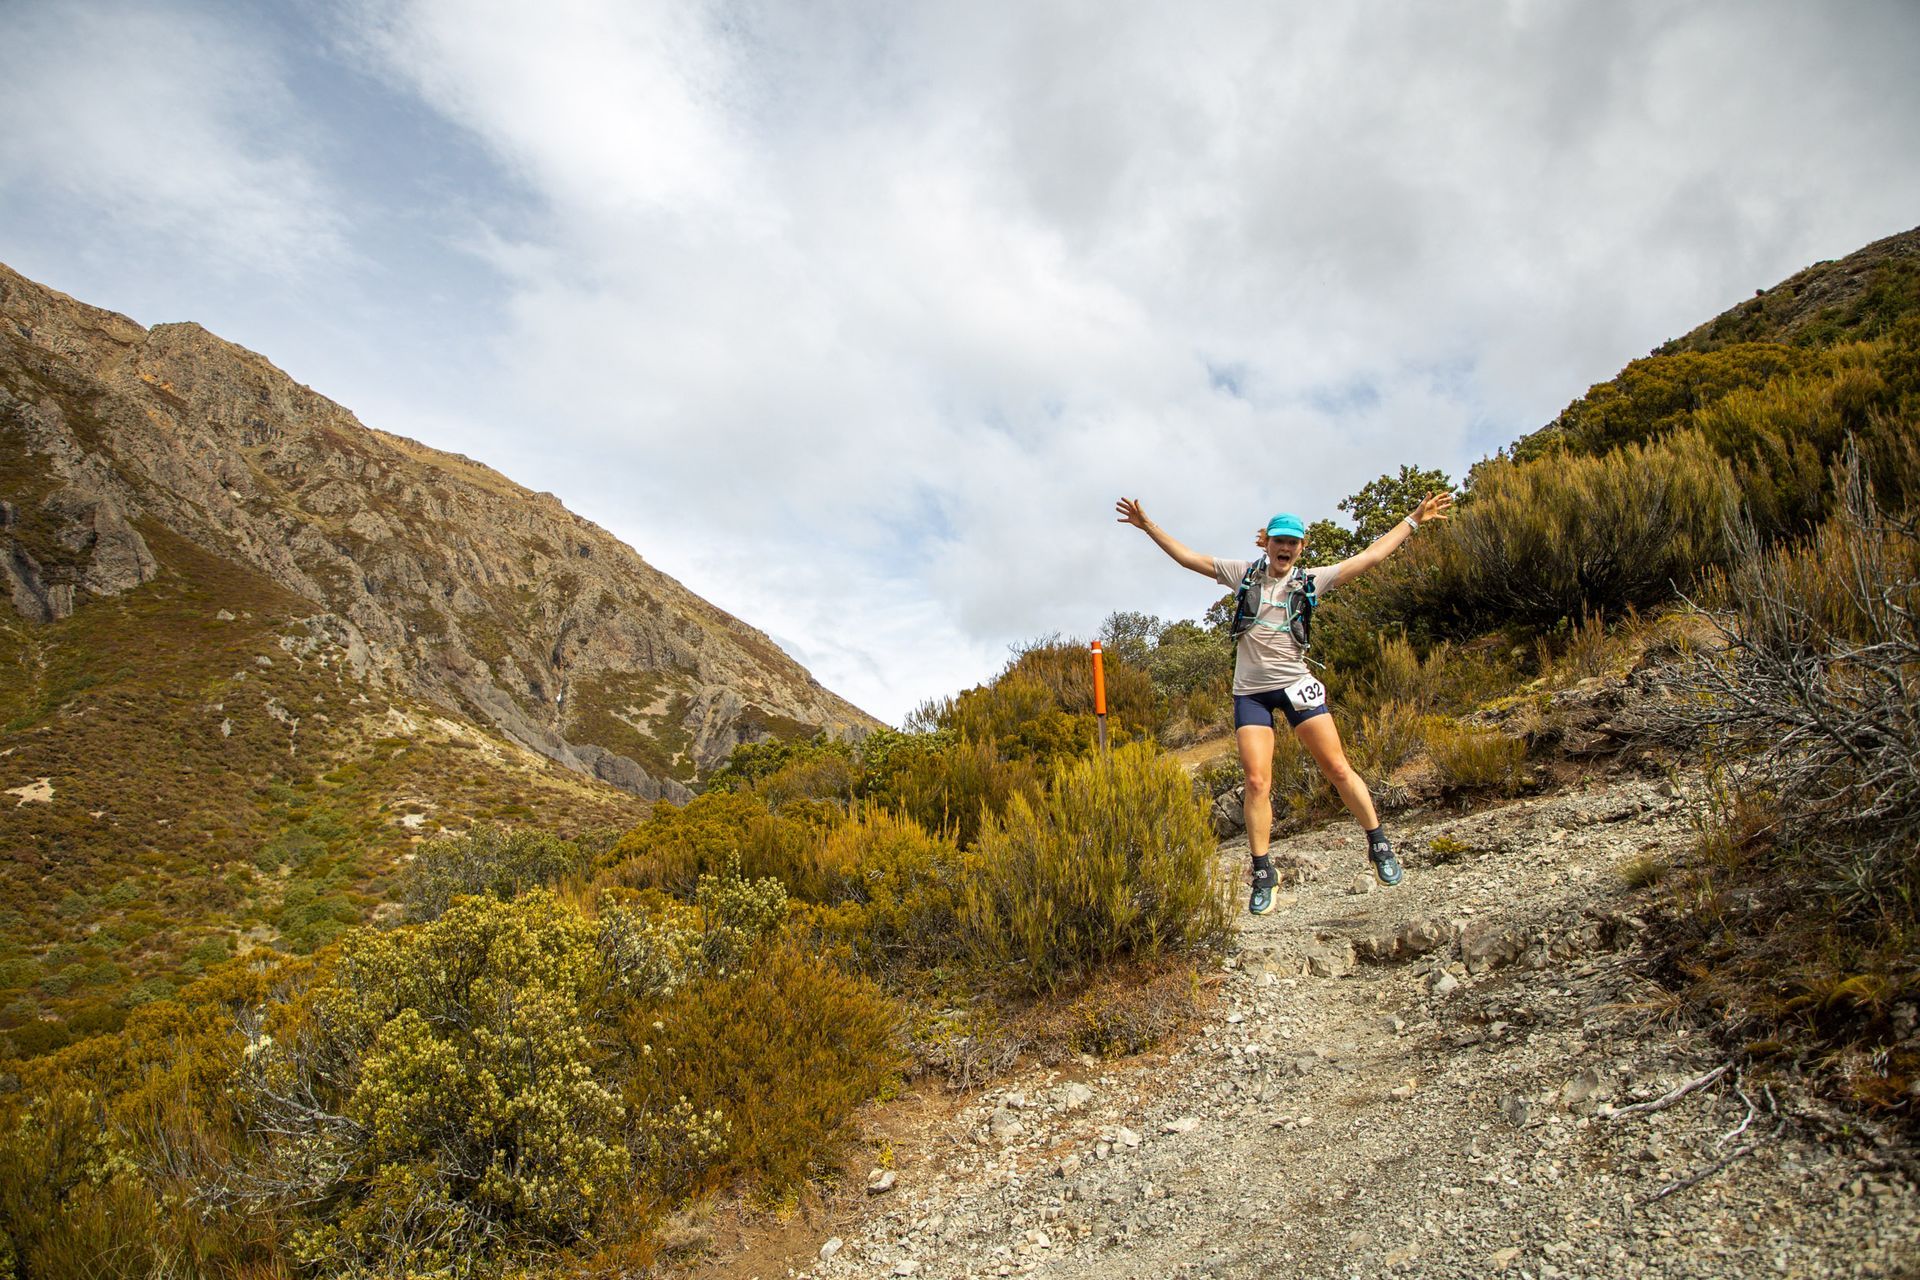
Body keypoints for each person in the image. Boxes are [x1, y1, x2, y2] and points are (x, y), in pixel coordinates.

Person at [1115, 493, 1454, 913]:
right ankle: (1263, 872)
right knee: (1257, 782)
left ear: (1301, 547)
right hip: (1251, 694)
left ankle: (1378, 842)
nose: (1286, 548)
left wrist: (1413, 520)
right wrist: (1149, 527)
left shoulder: (1311, 580)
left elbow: (1369, 558)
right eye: (1279, 540)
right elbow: (1189, 558)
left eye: (1293, 543)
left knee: (1337, 767)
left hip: (1296, 685)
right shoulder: (1242, 574)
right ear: (1268, 543)